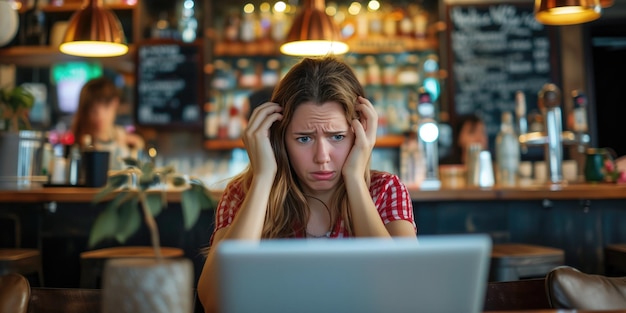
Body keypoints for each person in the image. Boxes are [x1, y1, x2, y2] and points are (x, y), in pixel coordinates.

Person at [197, 57, 417, 312]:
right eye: (304, 139)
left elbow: (406, 297)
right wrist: (264, 177)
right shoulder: (243, 193)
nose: (322, 156)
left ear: (360, 134)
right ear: (278, 139)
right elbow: (215, 302)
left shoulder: (386, 190)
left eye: (337, 137)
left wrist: (355, 179)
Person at [70, 77, 145, 170]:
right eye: (93, 110)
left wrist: (138, 147)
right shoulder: (82, 144)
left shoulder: (127, 139)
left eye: (105, 106)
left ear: (115, 103)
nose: (100, 115)